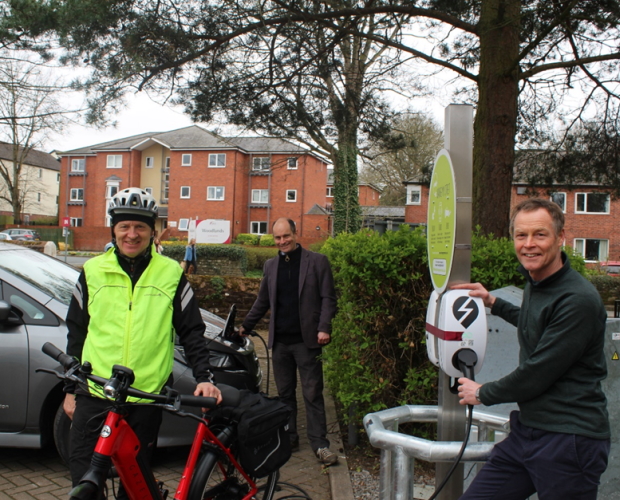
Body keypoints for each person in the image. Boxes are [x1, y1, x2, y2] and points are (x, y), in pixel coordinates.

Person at [63, 187, 221, 493]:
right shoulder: (93, 272)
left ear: (153, 232)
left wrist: (204, 377)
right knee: (83, 482)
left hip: (144, 398)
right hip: (95, 393)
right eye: (124, 226)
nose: (131, 234)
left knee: (134, 487)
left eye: (140, 227)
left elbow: (191, 331)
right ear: (114, 229)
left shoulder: (171, 274)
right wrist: (70, 389)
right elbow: (76, 332)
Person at [454, 198, 610, 500]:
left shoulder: (577, 299)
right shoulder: (539, 282)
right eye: (521, 235)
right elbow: (534, 323)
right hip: (529, 432)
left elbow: (539, 371)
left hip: (569, 439)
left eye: (540, 234)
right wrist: (493, 303)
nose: (529, 244)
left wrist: (483, 392)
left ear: (560, 237)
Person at [239, 218, 339, 466]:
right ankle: (289, 438)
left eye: (286, 236)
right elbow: (262, 301)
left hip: (307, 342)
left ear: (296, 234)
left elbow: (329, 298)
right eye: (277, 237)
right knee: (284, 395)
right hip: (280, 342)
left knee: (313, 394)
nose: (282, 241)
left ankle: (320, 444)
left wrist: (324, 327)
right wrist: (244, 327)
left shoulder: (317, 262)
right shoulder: (270, 266)